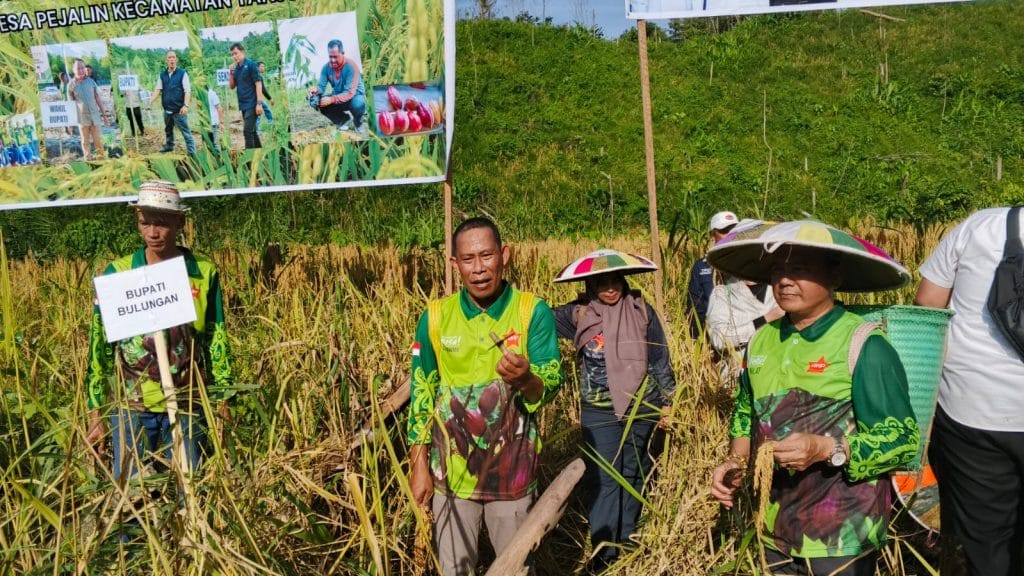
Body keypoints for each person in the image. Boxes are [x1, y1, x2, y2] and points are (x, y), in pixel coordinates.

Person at [708, 220, 920, 576]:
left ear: (834, 278)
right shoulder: (761, 340)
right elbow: (746, 410)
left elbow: (903, 441)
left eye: (801, 269)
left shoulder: (863, 343)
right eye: (777, 271)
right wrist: (735, 459)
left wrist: (827, 449)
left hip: (842, 534)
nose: (785, 281)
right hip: (774, 528)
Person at [407, 217, 563, 576]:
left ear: (504, 255)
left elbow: (551, 382)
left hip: (512, 478)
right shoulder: (435, 318)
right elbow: (422, 393)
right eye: (468, 259)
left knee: (515, 569)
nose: (478, 268)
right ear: (454, 264)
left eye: (487, 255)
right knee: (454, 570)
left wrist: (527, 379)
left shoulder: (531, 311)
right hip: (451, 478)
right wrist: (419, 467)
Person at [84, 180, 232, 483]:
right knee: (132, 494)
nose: (153, 232)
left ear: (180, 222)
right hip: (132, 409)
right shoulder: (119, 273)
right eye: (145, 223)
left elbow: (216, 338)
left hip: (187, 405)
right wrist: (95, 412)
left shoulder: (203, 272)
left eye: (162, 223)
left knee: (190, 488)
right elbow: (99, 345)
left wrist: (223, 400)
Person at [550, 249, 675, 570]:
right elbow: (538, 319)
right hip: (599, 409)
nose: (609, 288)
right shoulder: (578, 314)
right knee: (604, 478)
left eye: (615, 281)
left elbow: (659, 357)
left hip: (641, 404)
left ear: (624, 280)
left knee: (633, 473)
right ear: (590, 285)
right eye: (601, 282)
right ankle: (604, 554)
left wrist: (667, 401)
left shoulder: (641, 310)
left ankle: (627, 542)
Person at [915, 207, 1024, 576]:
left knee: (986, 540)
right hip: (976, 412)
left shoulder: (980, 226)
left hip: (972, 408)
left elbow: (928, 304)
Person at [706, 274, 782, 384]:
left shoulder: (782, 291)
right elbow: (719, 339)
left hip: (776, 377)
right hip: (737, 376)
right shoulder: (722, 293)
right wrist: (766, 318)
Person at [687, 211, 738, 338]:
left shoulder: (747, 263)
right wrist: (697, 339)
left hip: (743, 333)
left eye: (734, 231)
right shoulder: (701, 266)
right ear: (712, 235)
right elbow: (695, 306)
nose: (730, 235)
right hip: (712, 334)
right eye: (724, 231)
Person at [307, 39, 367, 134]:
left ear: (342, 53)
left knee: (358, 105)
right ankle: (343, 120)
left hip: (355, 96)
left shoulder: (351, 67)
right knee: (316, 101)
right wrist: (316, 90)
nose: (332, 60)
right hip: (338, 96)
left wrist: (331, 99)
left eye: (335, 57)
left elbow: (349, 93)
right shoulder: (326, 68)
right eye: (330, 56)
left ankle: (358, 122)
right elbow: (321, 87)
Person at [150, 50, 195, 155]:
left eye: (173, 57)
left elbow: (187, 91)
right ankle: (169, 146)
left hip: (179, 110)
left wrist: (186, 105)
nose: (172, 60)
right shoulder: (162, 75)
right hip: (167, 110)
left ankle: (192, 153)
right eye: (169, 57)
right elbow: (158, 89)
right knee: (168, 130)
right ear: (166, 60)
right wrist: (150, 100)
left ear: (176, 60)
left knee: (186, 133)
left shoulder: (182, 73)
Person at [67, 58, 108, 160]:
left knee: (98, 141)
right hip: (82, 119)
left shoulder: (91, 82)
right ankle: (88, 160)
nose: (81, 70)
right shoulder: (71, 85)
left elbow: (97, 99)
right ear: (73, 70)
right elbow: (71, 105)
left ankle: (101, 160)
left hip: (95, 117)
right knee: (85, 142)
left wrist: (104, 116)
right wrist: (70, 124)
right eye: (78, 68)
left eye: (82, 68)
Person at [228, 42, 262, 149]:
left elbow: (258, 84)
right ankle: (260, 154)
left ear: (242, 52)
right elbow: (232, 86)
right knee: (252, 132)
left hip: (253, 104)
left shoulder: (251, 65)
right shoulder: (236, 69)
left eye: (236, 53)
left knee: (247, 132)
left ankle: (250, 157)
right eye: (232, 54)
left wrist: (259, 103)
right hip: (243, 105)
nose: (234, 56)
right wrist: (231, 73)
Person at [256, 61, 274, 130]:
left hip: (257, 97)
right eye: (262, 66)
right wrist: (270, 98)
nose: (263, 68)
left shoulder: (258, 75)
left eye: (264, 66)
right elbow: (263, 90)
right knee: (259, 113)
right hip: (256, 98)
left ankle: (271, 123)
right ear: (257, 67)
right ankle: (257, 130)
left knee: (266, 109)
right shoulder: (257, 76)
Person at [206, 86, 222, 155]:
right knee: (208, 143)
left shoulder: (212, 94)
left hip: (213, 122)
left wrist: (220, 122)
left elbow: (219, 108)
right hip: (206, 123)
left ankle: (219, 158)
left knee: (216, 143)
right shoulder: (200, 95)